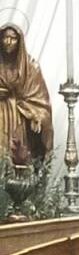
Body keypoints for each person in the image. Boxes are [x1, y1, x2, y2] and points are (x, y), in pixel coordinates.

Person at [0, 21, 52, 162]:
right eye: (5, 37)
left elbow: (40, 102)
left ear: (20, 41)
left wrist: (37, 116)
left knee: (17, 154)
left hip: (19, 118)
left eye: (13, 38)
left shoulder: (30, 67)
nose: (8, 42)